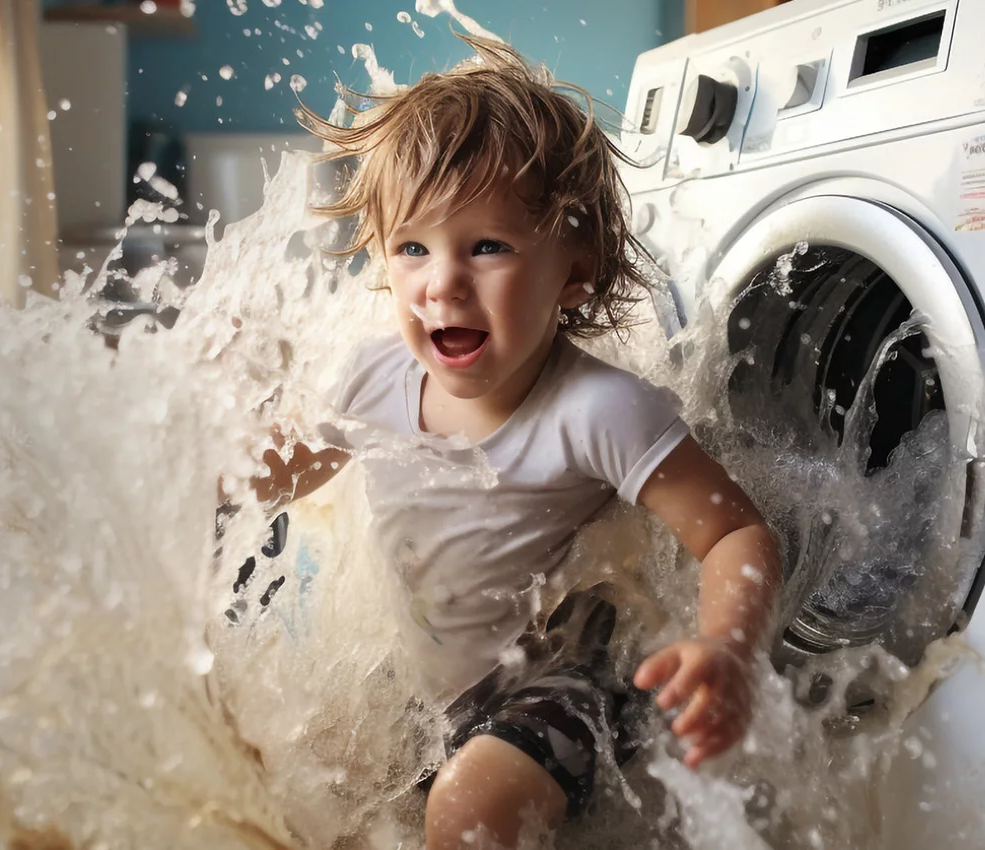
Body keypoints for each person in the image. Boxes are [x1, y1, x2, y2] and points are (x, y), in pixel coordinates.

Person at [244, 37, 784, 849]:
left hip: (564, 678)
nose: (442, 283)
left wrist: (727, 650)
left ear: (575, 272)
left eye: (486, 247)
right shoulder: (371, 380)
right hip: (432, 682)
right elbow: (282, 471)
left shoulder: (600, 410)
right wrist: (209, 471)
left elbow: (737, 533)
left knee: (468, 810)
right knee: (296, 770)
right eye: (412, 247)